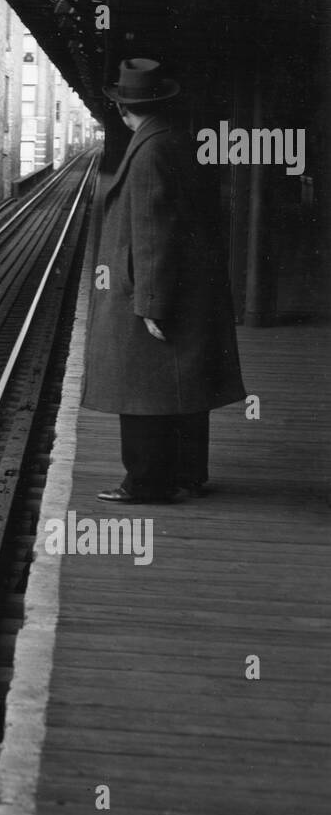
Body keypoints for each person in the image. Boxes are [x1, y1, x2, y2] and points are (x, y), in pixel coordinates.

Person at [82, 58, 246, 503]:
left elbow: (155, 232)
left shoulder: (149, 149)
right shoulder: (173, 139)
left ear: (120, 109)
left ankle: (148, 484)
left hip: (152, 286)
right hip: (186, 284)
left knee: (142, 390)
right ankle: (188, 474)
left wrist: (151, 302)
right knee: (182, 385)